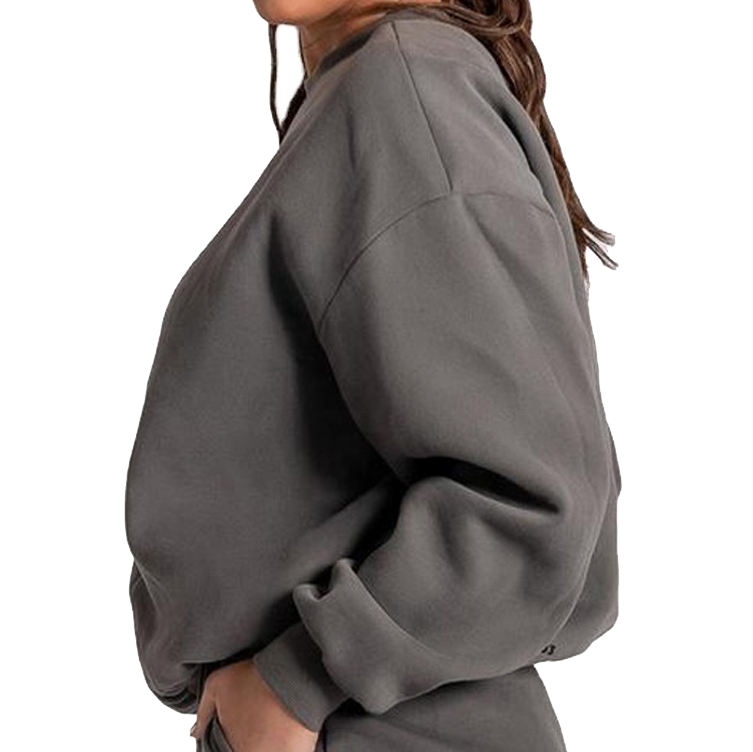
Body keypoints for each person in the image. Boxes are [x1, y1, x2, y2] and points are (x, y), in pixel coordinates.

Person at [124, 2, 622, 751]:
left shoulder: (403, 91)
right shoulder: (370, 91)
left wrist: (300, 679)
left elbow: (533, 504)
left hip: (376, 723)